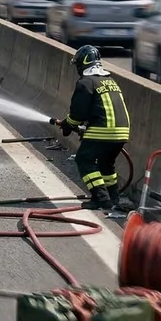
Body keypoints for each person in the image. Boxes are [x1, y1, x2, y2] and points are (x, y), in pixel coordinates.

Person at [55, 45, 131, 210]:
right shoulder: (110, 81)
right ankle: (113, 198)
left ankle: (100, 198)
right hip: (122, 132)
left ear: (82, 63)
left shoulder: (85, 83)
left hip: (102, 131)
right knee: (106, 163)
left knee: (84, 159)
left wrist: (68, 125)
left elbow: (78, 113)